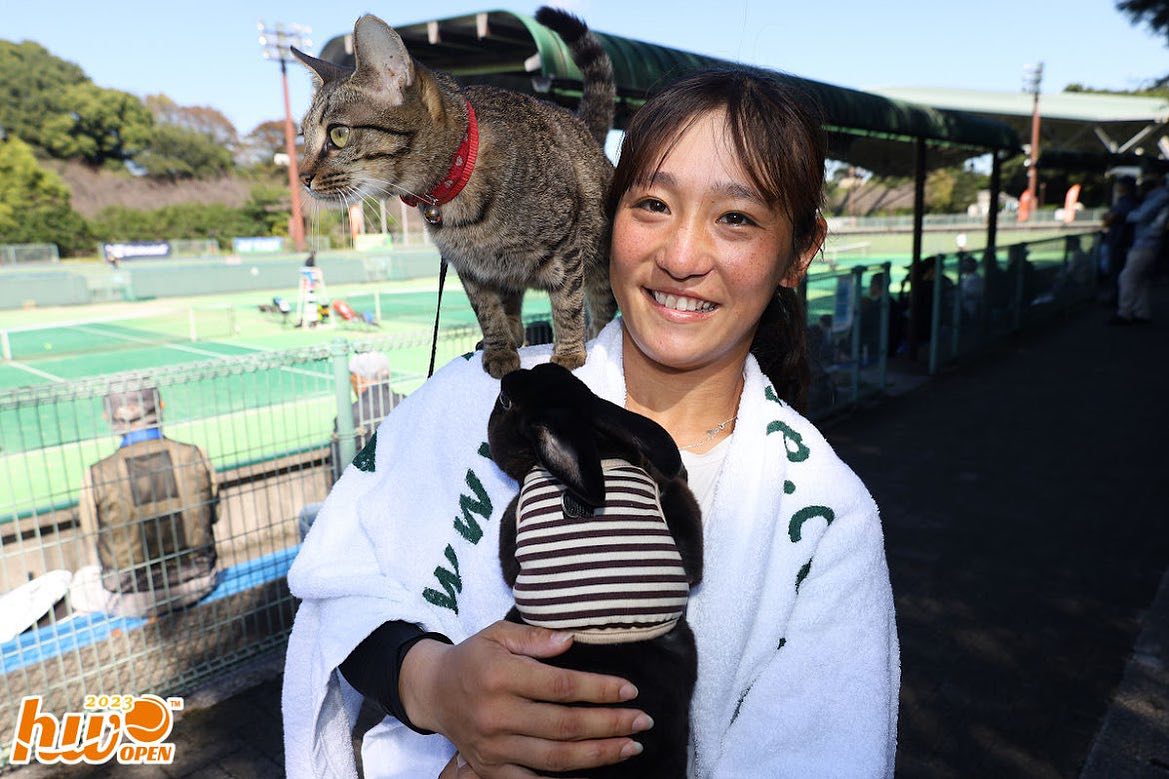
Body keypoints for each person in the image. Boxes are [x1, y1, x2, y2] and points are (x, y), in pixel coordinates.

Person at [282, 69, 899, 778]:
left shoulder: (825, 515)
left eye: (736, 217)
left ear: (799, 252)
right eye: (653, 204)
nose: (681, 256)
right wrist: (433, 686)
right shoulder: (478, 395)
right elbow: (341, 573)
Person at [71, 383, 219, 618]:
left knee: (81, 580)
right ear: (160, 407)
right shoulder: (195, 455)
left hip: (130, 600)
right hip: (200, 582)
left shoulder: (97, 474)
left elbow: (93, 536)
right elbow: (213, 514)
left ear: (108, 417)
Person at [298, 351, 405, 540]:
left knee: (307, 516)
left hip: (365, 506)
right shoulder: (407, 402)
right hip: (403, 496)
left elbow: (339, 473)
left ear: (358, 379)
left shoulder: (349, 418)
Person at [1111, 175, 1169, 326]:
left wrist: (1124, 216)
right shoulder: (1159, 198)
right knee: (1141, 280)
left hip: (1145, 243)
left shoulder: (1159, 198)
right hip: (1150, 243)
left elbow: (1142, 215)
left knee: (1127, 277)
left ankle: (1125, 312)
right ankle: (1141, 312)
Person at [1101, 176, 1138, 305]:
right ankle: (1117, 299)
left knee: (1117, 273)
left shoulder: (1126, 202)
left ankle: (1117, 300)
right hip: (1120, 241)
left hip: (1119, 242)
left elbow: (1111, 218)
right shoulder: (1126, 201)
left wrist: (1109, 217)